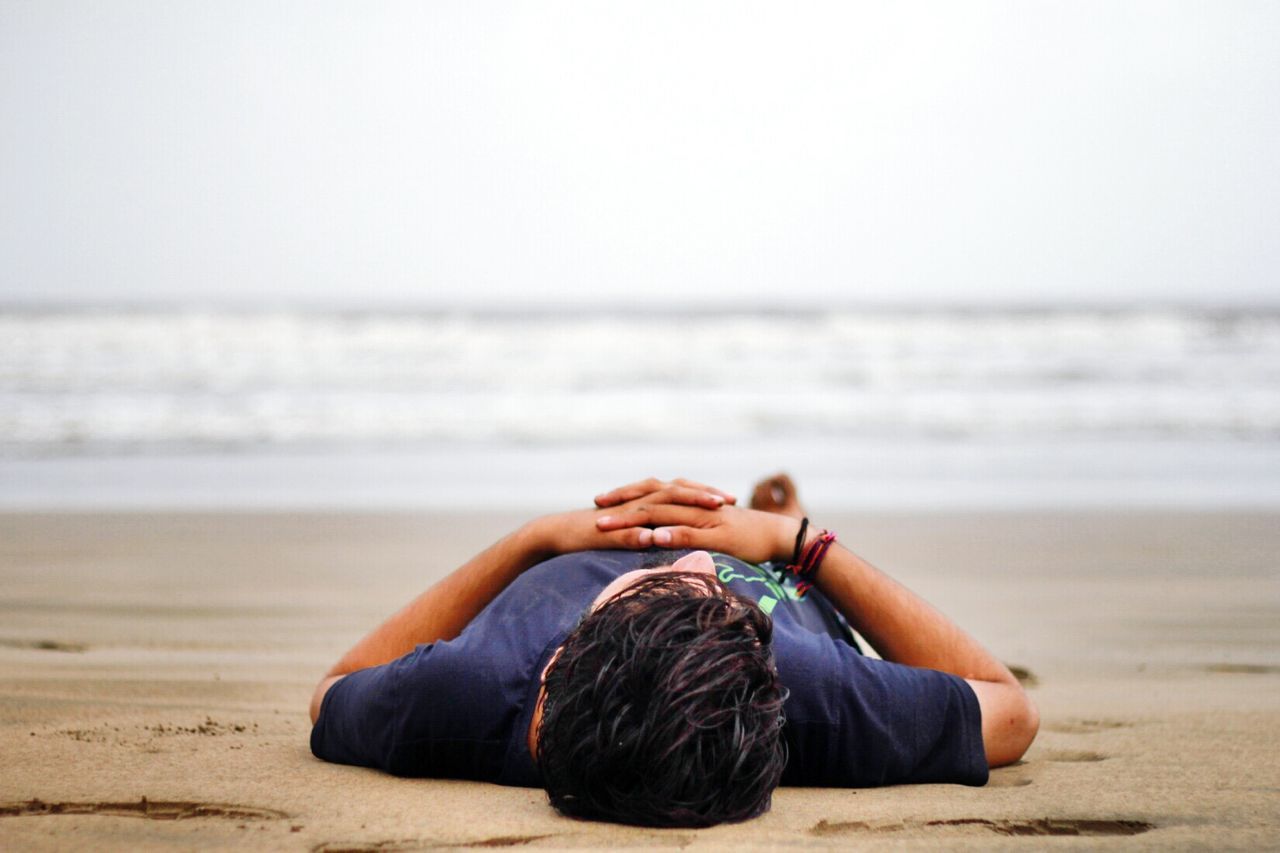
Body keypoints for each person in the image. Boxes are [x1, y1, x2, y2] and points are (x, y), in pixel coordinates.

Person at [309, 474, 1039, 827]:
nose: (689, 559)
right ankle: (773, 533)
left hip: (570, 558)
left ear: (557, 664)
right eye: (718, 594)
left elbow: (334, 686)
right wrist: (801, 544)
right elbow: (1010, 708)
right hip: (788, 573)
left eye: (660, 581)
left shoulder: (463, 693)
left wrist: (530, 540)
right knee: (775, 565)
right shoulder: (801, 693)